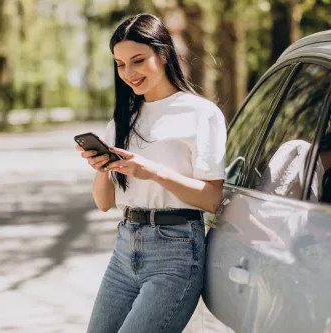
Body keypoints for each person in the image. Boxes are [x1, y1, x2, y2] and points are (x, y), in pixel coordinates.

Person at [76, 13, 226, 333]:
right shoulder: (122, 120)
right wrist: (102, 167)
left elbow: (212, 199)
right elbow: (103, 203)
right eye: (120, 64)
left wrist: (153, 172)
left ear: (163, 53)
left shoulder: (201, 114)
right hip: (125, 248)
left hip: (176, 253)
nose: (128, 73)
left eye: (138, 60)